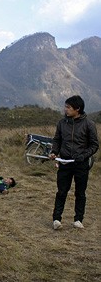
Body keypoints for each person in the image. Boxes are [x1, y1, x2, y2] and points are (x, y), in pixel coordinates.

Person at [49, 95, 99, 230]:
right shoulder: (61, 123)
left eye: (68, 107)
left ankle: (78, 220)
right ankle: (56, 219)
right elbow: (57, 140)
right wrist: (54, 151)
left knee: (80, 193)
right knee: (61, 192)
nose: (65, 109)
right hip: (64, 163)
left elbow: (94, 145)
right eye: (65, 106)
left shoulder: (89, 124)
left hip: (81, 165)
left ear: (77, 109)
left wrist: (83, 156)